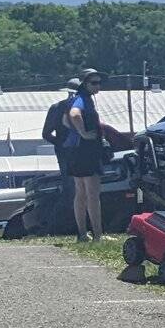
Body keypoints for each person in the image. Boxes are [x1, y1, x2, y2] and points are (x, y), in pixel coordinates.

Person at [58, 69, 112, 240]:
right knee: (92, 194)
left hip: (75, 150)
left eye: (99, 82)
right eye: (93, 83)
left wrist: (76, 132)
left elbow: (64, 121)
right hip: (86, 151)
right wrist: (84, 133)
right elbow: (74, 115)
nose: (98, 86)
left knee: (80, 192)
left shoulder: (76, 99)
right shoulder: (82, 100)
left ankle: (82, 233)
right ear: (84, 84)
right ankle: (97, 235)